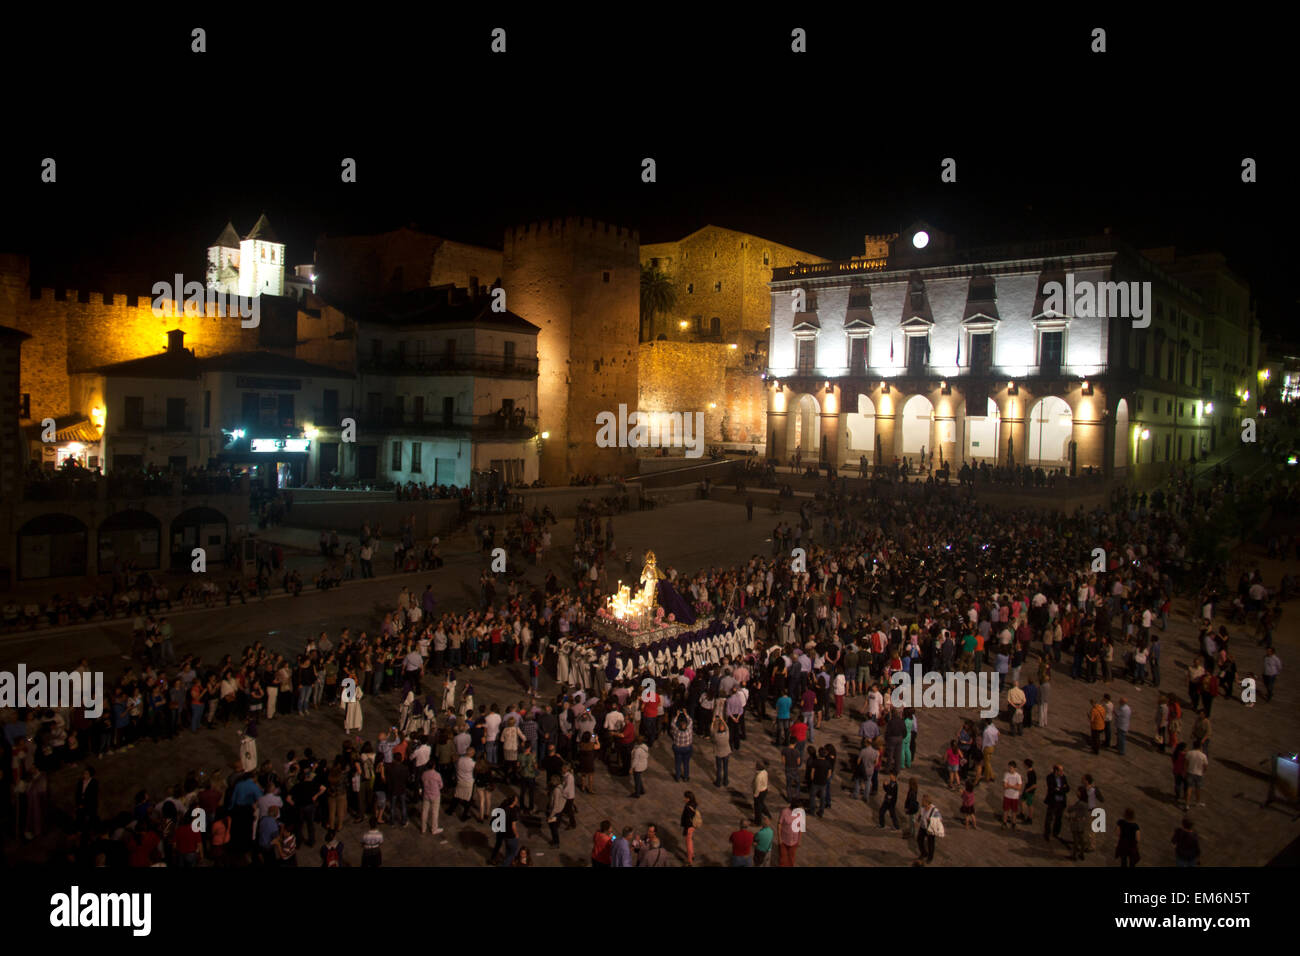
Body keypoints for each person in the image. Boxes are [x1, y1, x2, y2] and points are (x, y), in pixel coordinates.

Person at [915, 794, 940, 864]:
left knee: (930, 844)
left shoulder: (934, 810)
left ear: (927, 802)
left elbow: (939, 819)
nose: (922, 802)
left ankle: (930, 857)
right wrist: (918, 820)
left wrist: (931, 819)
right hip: (923, 827)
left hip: (930, 829)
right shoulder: (923, 807)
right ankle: (924, 853)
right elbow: (921, 814)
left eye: (923, 801)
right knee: (919, 840)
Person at [777, 802, 802, 866]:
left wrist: (799, 840)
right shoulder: (784, 812)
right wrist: (779, 838)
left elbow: (800, 827)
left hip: (794, 841)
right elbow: (779, 824)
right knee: (783, 859)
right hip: (784, 840)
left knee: (791, 859)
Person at [681, 792, 701, 866]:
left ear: (688, 799)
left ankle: (689, 859)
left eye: (685, 797)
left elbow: (686, 819)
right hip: (693, 826)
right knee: (691, 840)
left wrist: (685, 829)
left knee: (688, 843)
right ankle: (692, 854)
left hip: (688, 826)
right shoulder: (694, 804)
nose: (684, 799)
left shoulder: (688, 807)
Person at [1001, 761, 1022, 830]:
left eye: (1011, 768)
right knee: (1005, 810)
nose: (1010, 769)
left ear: (1015, 768)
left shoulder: (1018, 776)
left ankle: (1013, 823)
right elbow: (1004, 786)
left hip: (1014, 797)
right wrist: (1014, 786)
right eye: (1009, 767)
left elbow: (1019, 787)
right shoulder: (1006, 774)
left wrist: (1009, 785)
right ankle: (1004, 822)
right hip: (1007, 795)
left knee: (1014, 811)